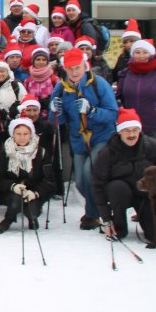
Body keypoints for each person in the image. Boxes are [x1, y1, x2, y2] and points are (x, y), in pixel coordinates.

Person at [51, 48, 119, 231]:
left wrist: (93, 111)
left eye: (77, 68)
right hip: (78, 140)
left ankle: (91, 214)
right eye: (70, 68)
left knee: (90, 173)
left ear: (85, 66)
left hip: (102, 137)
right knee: (80, 181)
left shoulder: (99, 84)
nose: (74, 72)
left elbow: (113, 114)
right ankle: (100, 206)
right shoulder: (61, 88)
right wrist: (54, 110)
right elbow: (58, 121)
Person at [93, 109, 156, 242]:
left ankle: (148, 219)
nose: (131, 134)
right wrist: (107, 220)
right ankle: (119, 226)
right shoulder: (107, 153)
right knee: (117, 187)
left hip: (146, 197)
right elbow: (98, 186)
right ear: (119, 131)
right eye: (126, 130)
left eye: (135, 130)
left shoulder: (153, 147)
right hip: (120, 196)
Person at [0, 118, 55, 233]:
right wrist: (12, 186)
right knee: (16, 199)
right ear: (13, 134)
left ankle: (32, 217)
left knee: (32, 209)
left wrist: (36, 193)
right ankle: (8, 220)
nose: (22, 137)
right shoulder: (5, 152)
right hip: (12, 190)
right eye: (18, 134)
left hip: (34, 191)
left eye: (26, 134)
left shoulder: (41, 152)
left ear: (31, 134)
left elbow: (49, 181)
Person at [115, 39, 156, 146]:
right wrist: (119, 105)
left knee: (155, 159)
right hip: (131, 127)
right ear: (132, 54)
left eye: (145, 52)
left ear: (151, 54)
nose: (141, 56)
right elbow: (118, 97)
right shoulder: (125, 74)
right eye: (137, 52)